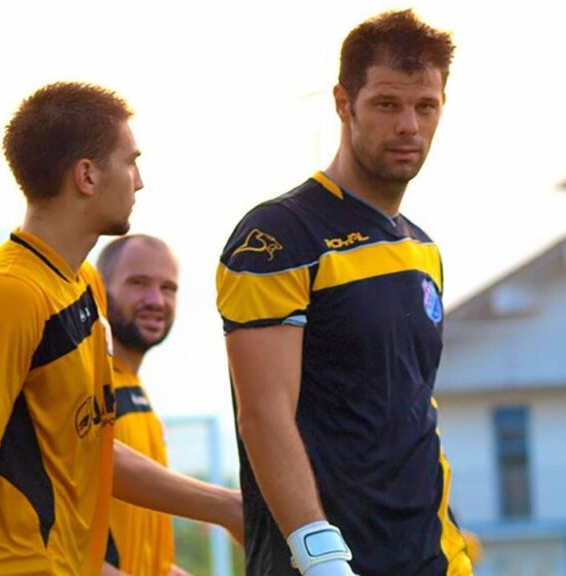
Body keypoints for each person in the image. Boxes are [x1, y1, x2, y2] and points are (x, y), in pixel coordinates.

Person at [216, 10, 472, 576]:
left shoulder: (423, 249)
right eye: (387, 104)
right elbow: (263, 415)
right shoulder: (278, 237)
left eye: (425, 106)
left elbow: (412, 414)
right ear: (343, 102)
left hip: (432, 559)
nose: (408, 125)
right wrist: (320, 555)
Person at [0, 82, 242, 576]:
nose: (139, 182)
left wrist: (228, 507)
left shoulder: (86, 283)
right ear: (87, 175)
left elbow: (90, 449)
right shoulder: (8, 293)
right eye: (130, 162)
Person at [97, 234, 194, 575]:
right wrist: (229, 509)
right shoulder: (87, 383)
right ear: (100, 289)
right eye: (138, 283)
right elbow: (56, 545)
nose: (156, 300)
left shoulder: (134, 390)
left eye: (168, 288)